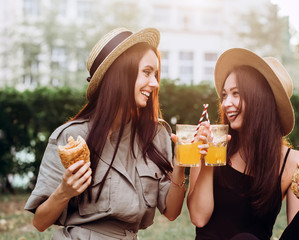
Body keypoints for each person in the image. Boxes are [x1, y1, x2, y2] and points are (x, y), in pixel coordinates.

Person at [24, 27, 187, 239]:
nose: (155, 83)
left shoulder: (156, 134)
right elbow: (40, 222)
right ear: (121, 73)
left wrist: (181, 164)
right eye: (147, 72)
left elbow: (172, 212)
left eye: (155, 75)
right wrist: (64, 191)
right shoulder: (71, 138)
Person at [187, 48, 299, 240]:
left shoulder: (293, 162)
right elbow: (198, 218)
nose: (226, 103)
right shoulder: (210, 145)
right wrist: (206, 163)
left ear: (261, 100)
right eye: (224, 95)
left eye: (236, 93)